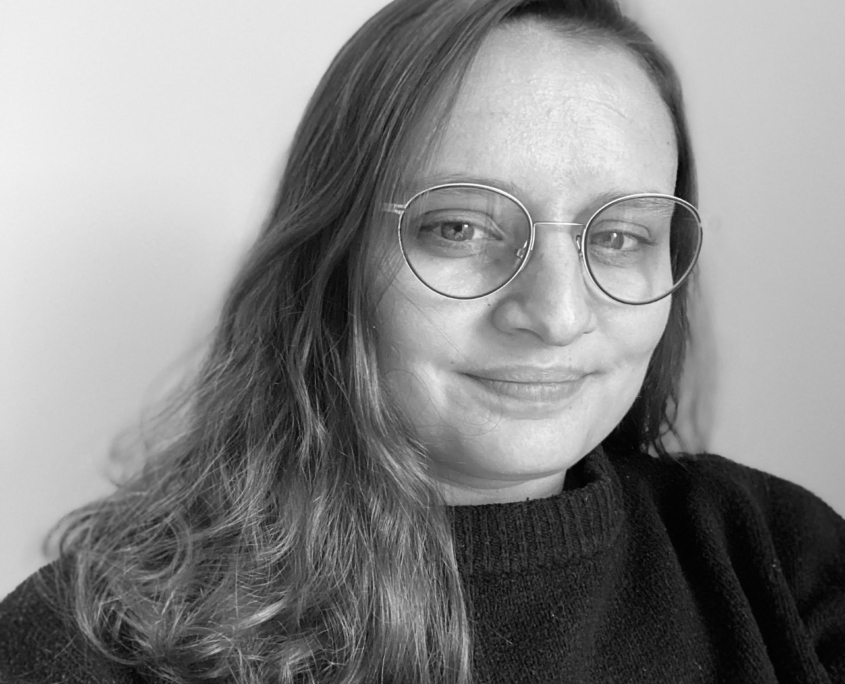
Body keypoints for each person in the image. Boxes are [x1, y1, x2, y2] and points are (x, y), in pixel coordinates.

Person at [1, 0, 843, 681]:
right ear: (331, 256)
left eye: (620, 236)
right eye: (460, 227)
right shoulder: (91, 643)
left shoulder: (777, 557)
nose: (555, 315)